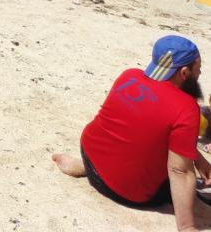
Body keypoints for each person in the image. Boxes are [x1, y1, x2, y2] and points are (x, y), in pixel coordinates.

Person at [52, 36, 210, 231]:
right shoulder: (187, 108)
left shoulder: (129, 75)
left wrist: (199, 159)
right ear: (184, 72)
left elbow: (143, 127)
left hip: (91, 157)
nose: (200, 72)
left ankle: (84, 167)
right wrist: (187, 227)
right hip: (132, 193)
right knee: (184, 179)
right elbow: (180, 171)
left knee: (130, 136)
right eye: (198, 68)